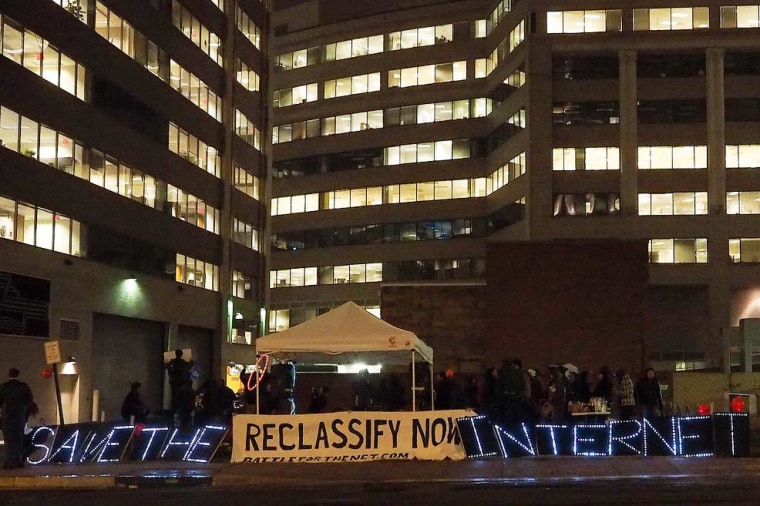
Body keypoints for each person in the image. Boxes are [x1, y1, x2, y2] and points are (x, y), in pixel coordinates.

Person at [0, 368, 34, 469]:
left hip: (7, 416)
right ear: (18, 374)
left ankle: (9, 462)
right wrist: (23, 408)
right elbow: (30, 400)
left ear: (9, 374)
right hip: (19, 415)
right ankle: (18, 461)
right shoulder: (23, 387)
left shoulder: (3, 387)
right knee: (18, 439)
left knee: (8, 439)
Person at [165, 349, 193, 426]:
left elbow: (169, 370)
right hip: (180, 386)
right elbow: (190, 369)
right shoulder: (183, 363)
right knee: (180, 403)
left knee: (175, 403)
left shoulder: (173, 362)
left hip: (175, 385)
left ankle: (174, 420)